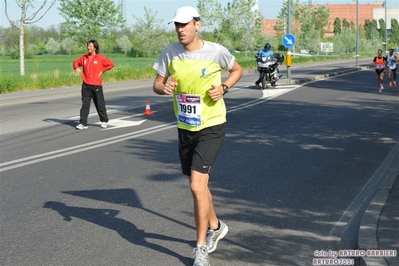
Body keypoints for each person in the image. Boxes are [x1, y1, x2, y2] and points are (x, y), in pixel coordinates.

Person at [152, 6, 243, 266]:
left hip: (212, 125)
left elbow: (237, 70)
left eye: (185, 24)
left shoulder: (215, 50)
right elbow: (157, 84)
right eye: (177, 25)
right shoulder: (170, 52)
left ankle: (200, 248)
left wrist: (224, 87)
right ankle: (216, 225)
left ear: (197, 25)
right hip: (185, 127)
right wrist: (164, 86)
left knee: (195, 186)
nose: (180, 29)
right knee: (199, 186)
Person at [73, 39, 114, 130]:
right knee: (85, 104)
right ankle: (83, 123)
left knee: (99, 103)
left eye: (91, 46)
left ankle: (104, 121)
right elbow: (75, 62)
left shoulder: (100, 58)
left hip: (96, 85)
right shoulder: (84, 58)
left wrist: (102, 70)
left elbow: (111, 64)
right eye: (88, 46)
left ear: (95, 48)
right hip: (86, 85)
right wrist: (76, 68)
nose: (89, 48)